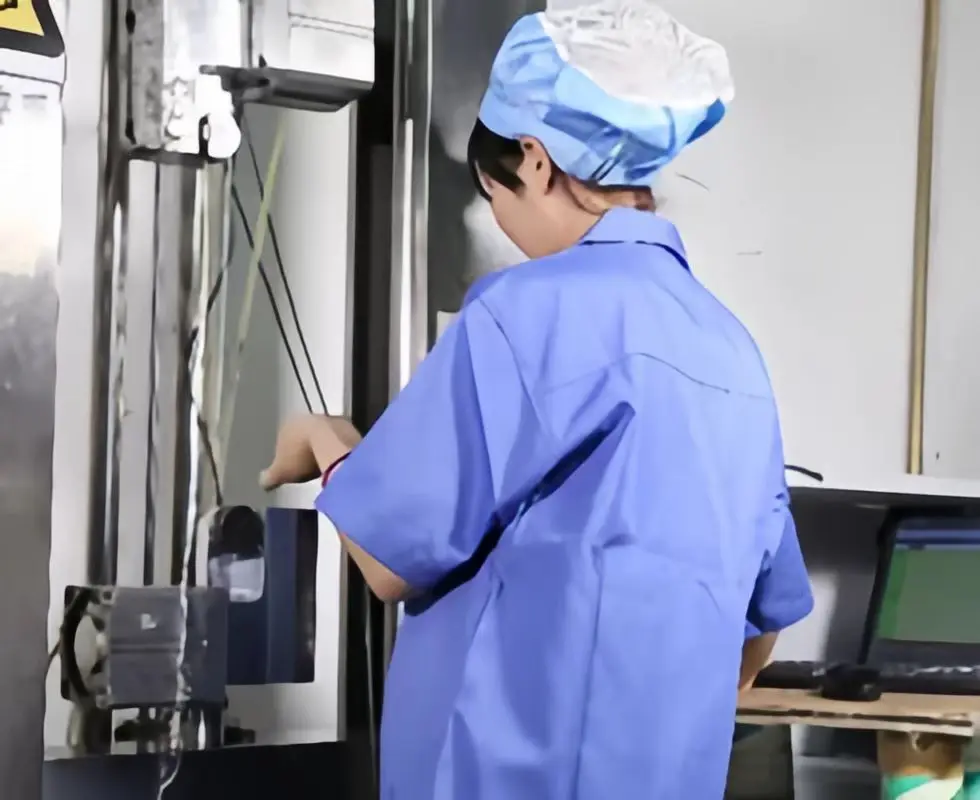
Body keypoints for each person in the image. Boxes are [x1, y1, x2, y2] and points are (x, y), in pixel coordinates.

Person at [261, 2, 814, 797]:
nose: (502, 223)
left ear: (535, 159)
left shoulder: (522, 312)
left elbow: (388, 559)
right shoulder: (731, 350)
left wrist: (327, 440)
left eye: (494, 195)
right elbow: (760, 628)